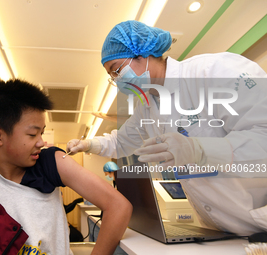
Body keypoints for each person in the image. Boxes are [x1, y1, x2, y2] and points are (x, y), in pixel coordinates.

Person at [67, 20, 267, 236]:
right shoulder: (148, 106)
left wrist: (199, 149)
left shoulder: (213, 71)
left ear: (141, 54)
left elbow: (263, 135)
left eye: (117, 70)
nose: (117, 80)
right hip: (218, 228)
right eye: (112, 76)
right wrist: (87, 144)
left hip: (259, 219)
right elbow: (121, 142)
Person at [0, 79, 132, 254]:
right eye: (33, 134)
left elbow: (118, 206)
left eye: (42, 133)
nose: (41, 142)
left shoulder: (50, 163)